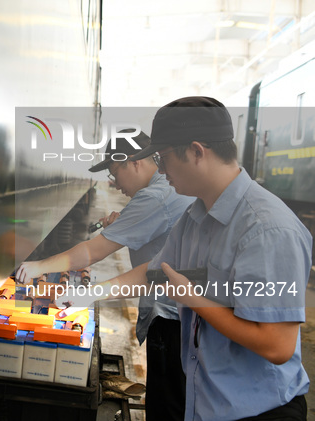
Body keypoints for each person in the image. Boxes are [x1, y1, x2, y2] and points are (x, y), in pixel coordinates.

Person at [58, 96, 311, 420]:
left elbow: (277, 345)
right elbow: (153, 273)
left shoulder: (267, 230)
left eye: (162, 159)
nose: (161, 171)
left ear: (196, 151)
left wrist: (191, 298)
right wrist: (86, 295)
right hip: (205, 401)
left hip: (259, 411)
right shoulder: (195, 216)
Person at [16, 130, 194, 420]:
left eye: (114, 172)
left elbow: (93, 252)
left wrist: (37, 267)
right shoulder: (162, 190)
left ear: (134, 161)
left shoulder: (155, 196)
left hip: (174, 318)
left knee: (168, 406)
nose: (114, 182)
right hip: (182, 313)